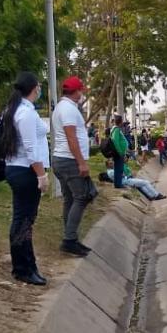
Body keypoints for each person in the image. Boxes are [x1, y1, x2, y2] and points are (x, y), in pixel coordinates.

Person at [0, 72, 51, 287]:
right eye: (39, 86)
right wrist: (41, 175)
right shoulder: (25, 113)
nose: (40, 90)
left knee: (23, 219)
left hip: (18, 169)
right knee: (24, 221)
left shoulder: (15, 109)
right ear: (33, 88)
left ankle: (27, 266)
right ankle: (23, 268)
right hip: (25, 171)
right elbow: (30, 147)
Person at [51, 76, 95, 258]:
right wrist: (81, 162)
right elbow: (71, 138)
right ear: (76, 91)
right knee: (82, 197)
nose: (82, 94)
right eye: (81, 91)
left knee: (70, 199)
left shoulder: (63, 108)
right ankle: (69, 240)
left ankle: (71, 236)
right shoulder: (68, 109)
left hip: (62, 159)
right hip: (69, 161)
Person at [98, 167, 167, 201]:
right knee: (146, 182)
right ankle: (157, 195)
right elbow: (121, 174)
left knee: (142, 185)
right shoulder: (110, 172)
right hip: (127, 181)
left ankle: (151, 196)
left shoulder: (109, 174)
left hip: (126, 181)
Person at [108, 115, 129, 190]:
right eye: (122, 121)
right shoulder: (116, 129)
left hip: (120, 152)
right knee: (118, 168)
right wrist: (120, 151)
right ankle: (118, 184)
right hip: (118, 153)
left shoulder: (116, 129)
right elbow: (115, 141)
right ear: (120, 122)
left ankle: (118, 183)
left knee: (119, 168)